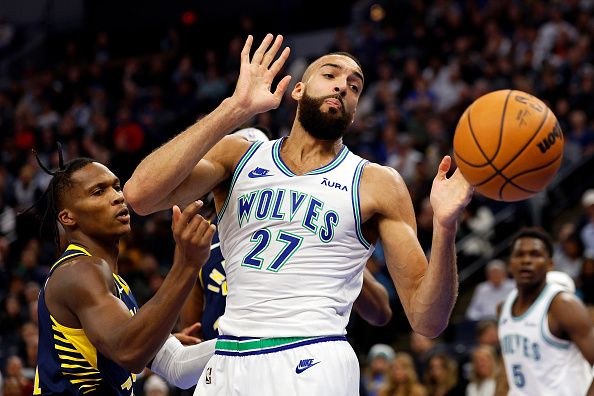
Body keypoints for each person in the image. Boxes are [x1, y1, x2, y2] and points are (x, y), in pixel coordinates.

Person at [124, 34, 472, 395]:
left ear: (355, 112)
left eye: (355, 86)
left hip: (313, 357)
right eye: (331, 75)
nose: (343, 86)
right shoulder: (238, 155)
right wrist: (235, 107)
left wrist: (446, 227)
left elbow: (427, 320)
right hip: (229, 357)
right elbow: (140, 195)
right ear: (298, 90)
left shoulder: (376, 182)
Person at [179, 127, 392, 340]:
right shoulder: (200, 232)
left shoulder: (306, 222)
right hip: (225, 356)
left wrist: (343, 259)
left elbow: (381, 313)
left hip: (297, 348)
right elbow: (190, 329)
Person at [30, 153, 217, 395]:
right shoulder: (79, 271)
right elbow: (129, 351)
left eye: (116, 187)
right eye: (98, 192)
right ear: (68, 217)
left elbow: (178, 367)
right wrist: (187, 265)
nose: (117, 197)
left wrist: (263, 338)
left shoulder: (114, 282)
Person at [498, 227, 594, 396]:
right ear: (510, 264)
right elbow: (509, 367)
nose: (526, 260)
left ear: (550, 264)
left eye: (535, 254)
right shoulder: (504, 306)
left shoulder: (563, 305)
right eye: (519, 254)